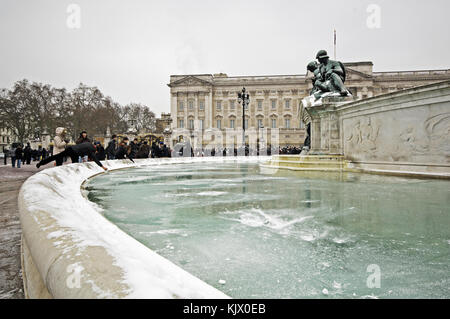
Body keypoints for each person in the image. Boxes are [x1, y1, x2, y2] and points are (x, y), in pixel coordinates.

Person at [36, 142, 107, 171]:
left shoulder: (89, 144)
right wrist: (102, 166)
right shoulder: (92, 150)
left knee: (56, 157)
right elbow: (95, 159)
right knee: (75, 164)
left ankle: (40, 163)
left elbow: (82, 149)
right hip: (74, 153)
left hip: (71, 149)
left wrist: (83, 156)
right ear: (96, 150)